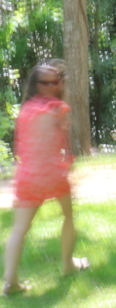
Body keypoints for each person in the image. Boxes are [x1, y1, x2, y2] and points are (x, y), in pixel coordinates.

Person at [4, 60, 88, 295]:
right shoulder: (58, 108)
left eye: (56, 81)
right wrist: (67, 163)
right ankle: (69, 264)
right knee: (68, 215)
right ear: (37, 84)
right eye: (47, 82)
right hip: (52, 173)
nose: (52, 86)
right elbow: (64, 144)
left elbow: (22, 146)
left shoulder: (25, 111)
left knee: (19, 229)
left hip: (27, 176)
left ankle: (10, 281)